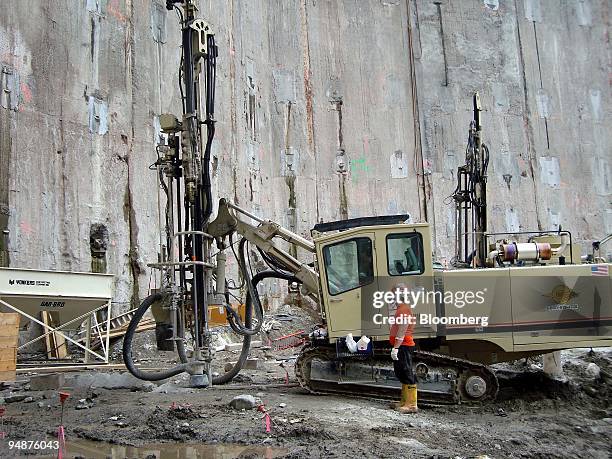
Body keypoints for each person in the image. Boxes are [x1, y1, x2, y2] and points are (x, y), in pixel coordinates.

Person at [389, 283, 418, 413]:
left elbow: (402, 330)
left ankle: (411, 405)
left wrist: (396, 347)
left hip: (404, 346)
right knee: (402, 372)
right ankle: (404, 401)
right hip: (403, 345)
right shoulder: (402, 308)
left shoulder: (403, 310)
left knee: (406, 372)